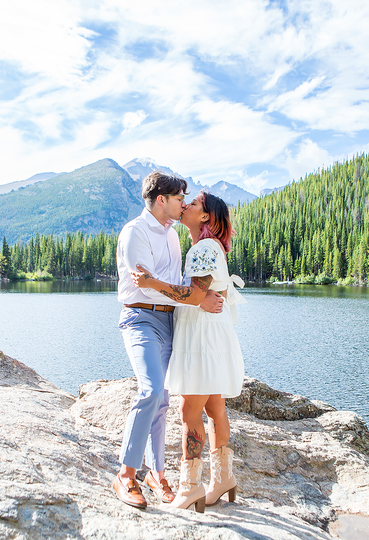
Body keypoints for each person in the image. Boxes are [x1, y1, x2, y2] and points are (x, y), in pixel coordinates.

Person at [113, 173, 224, 510]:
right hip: (140, 318)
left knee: (161, 399)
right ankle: (125, 474)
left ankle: (157, 473)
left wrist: (196, 297)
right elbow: (145, 286)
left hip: (167, 321)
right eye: (179, 198)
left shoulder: (173, 236)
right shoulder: (135, 232)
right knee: (150, 390)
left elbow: (173, 282)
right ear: (161, 199)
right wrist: (195, 299)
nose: (182, 203)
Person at [132, 190, 246, 513]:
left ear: (205, 216)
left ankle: (190, 487)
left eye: (193, 203)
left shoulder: (203, 248)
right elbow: (204, 293)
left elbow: (194, 295)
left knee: (189, 413)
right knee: (213, 407)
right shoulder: (209, 248)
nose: (185, 206)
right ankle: (223, 478)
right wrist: (202, 297)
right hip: (210, 336)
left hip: (201, 339)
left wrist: (151, 284)